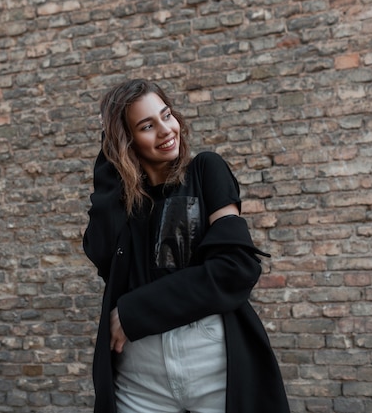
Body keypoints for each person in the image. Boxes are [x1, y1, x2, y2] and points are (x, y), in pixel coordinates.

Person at [83, 79, 290, 413]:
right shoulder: (123, 205)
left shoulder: (206, 172)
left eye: (167, 116)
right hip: (140, 377)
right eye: (147, 125)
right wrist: (109, 158)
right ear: (127, 141)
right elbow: (102, 254)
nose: (166, 130)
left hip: (211, 364)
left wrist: (136, 311)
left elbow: (235, 268)